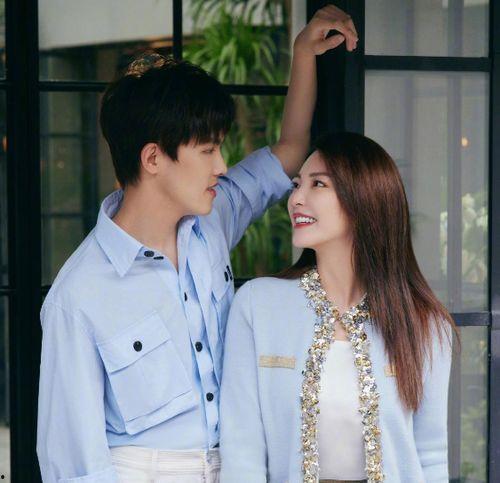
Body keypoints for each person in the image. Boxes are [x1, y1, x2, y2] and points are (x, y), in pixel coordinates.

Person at [36, 5, 359, 482]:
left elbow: (290, 152)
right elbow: (74, 467)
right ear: (153, 159)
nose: (222, 166)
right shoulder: (78, 296)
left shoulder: (212, 219)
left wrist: (304, 53)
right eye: (208, 150)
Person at [219, 131, 456, 483]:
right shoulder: (257, 306)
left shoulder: (425, 324)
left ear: (364, 200)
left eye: (318, 184)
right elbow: (242, 455)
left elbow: (431, 456)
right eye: (297, 184)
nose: (296, 198)